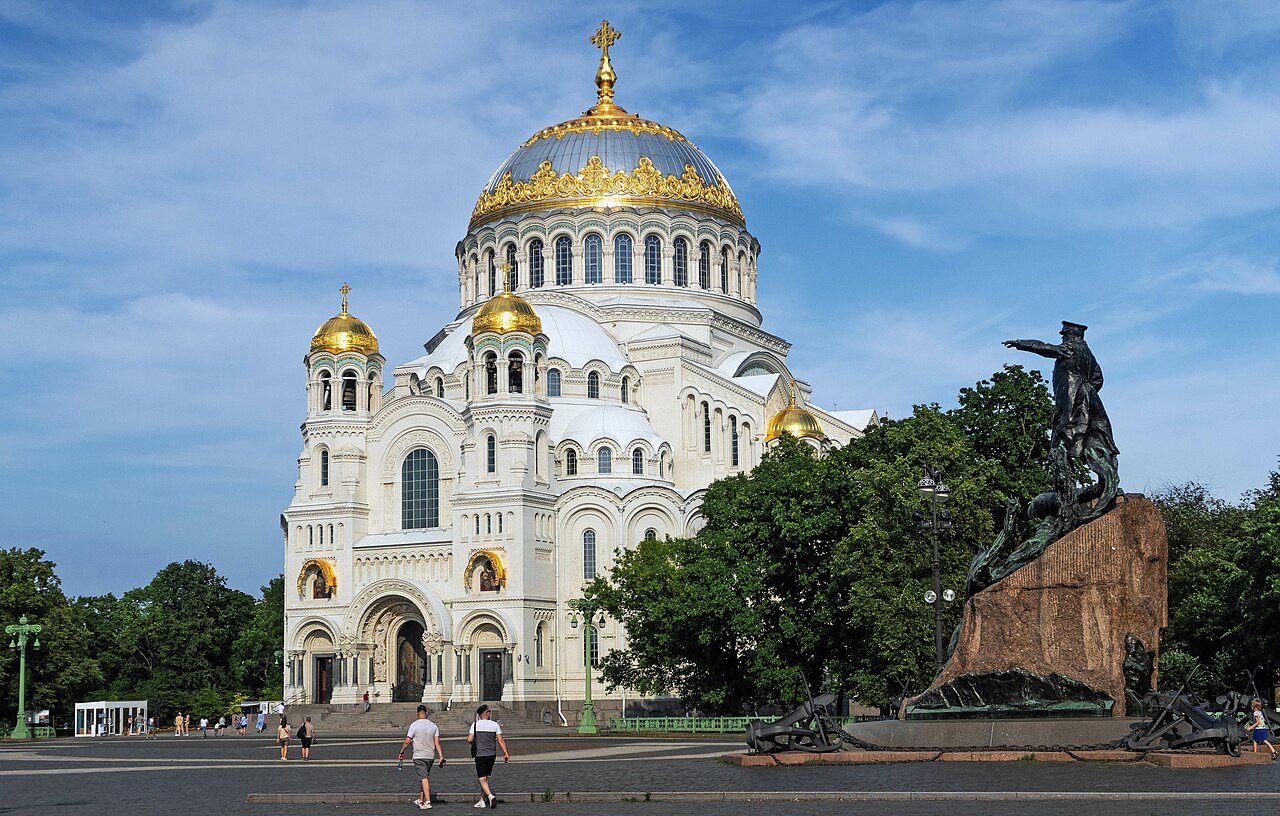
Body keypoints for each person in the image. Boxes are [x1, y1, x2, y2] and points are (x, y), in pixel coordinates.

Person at [399, 705, 445, 809]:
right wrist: (441, 756)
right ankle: (421, 800)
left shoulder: (414, 725)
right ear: (426, 713)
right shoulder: (433, 726)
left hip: (419, 755)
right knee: (424, 777)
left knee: (423, 777)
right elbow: (437, 742)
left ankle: (427, 802)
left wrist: (401, 752)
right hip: (430, 756)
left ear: (417, 713)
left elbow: (407, 741)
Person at [467, 704, 509, 809]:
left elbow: (469, 739)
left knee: (481, 778)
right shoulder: (494, 725)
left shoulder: (475, 725)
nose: (490, 713)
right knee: (486, 777)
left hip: (480, 754)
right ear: (486, 713)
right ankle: (482, 800)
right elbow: (500, 740)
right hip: (491, 754)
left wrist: (475, 743)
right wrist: (506, 753)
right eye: (489, 711)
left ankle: (490, 796)